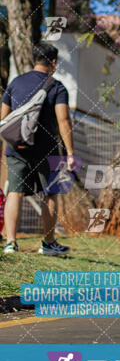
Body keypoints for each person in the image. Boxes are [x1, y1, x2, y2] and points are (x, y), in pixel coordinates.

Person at [0, 42, 76, 255]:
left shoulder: (15, 83)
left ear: (35, 59)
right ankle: (49, 243)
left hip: (16, 148)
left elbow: (3, 118)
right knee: (50, 194)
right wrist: (70, 153)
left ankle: (10, 243)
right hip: (47, 150)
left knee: (14, 193)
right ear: (53, 62)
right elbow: (64, 121)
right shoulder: (57, 86)